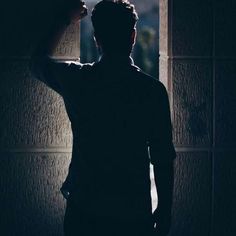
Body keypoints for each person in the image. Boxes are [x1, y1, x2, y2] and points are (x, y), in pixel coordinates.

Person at [31, 1, 176, 235]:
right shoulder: (152, 91)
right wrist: (165, 210)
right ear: (133, 36)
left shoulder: (78, 79)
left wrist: (65, 18)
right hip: (132, 213)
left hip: (85, 210)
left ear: (96, 39)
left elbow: (37, 62)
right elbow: (162, 158)